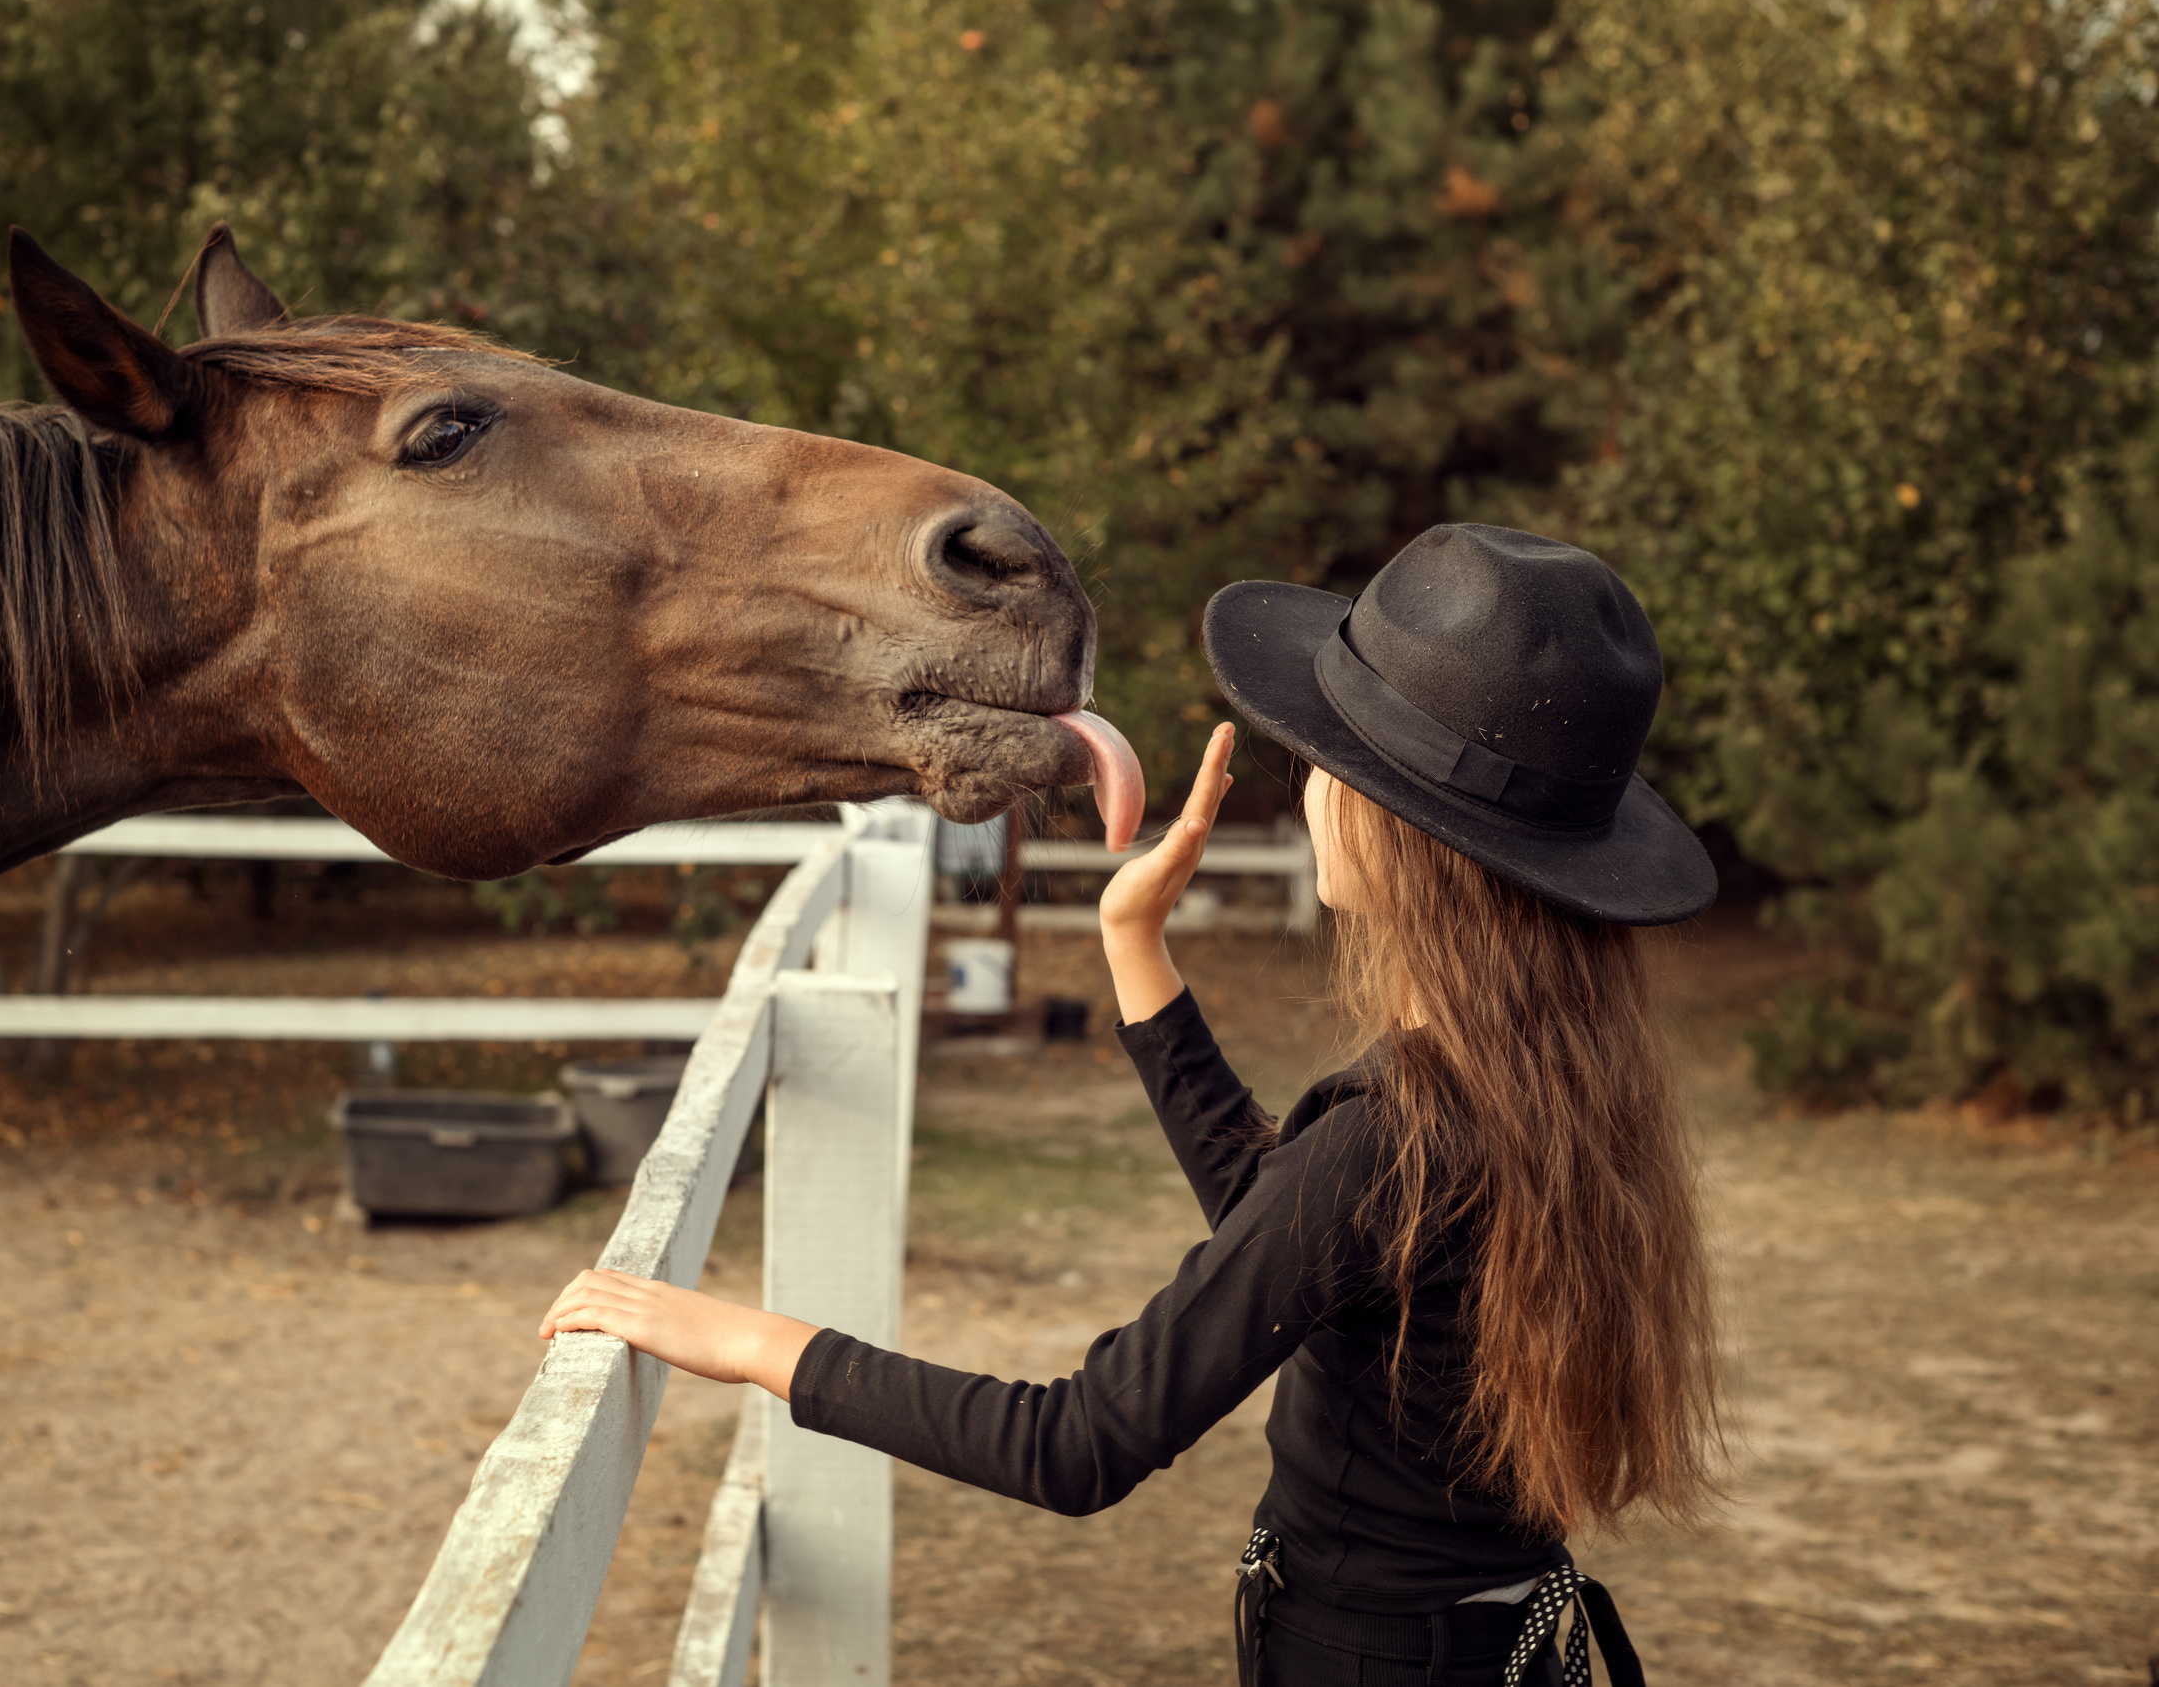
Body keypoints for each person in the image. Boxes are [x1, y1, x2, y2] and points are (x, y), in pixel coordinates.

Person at [540, 524, 1724, 1686]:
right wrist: (1136, 952)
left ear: (1391, 822)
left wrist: (754, 1343)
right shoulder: (1548, 1082)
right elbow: (1300, 1245)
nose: (1310, 785)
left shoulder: (1398, 1129)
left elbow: (1076, 1444)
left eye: (1330, 762)